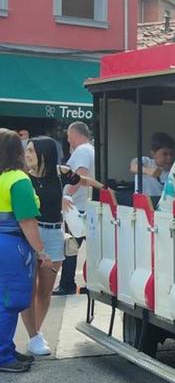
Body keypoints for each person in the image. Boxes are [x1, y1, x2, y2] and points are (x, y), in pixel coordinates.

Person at [21, 137, 103, 356]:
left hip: (55, 234)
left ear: (44, 153)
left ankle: (36, 332)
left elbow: (82, 180)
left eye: (31, 151)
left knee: (44, 291)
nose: (27, 155)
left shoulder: (60, 171)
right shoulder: (22, 177)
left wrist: (104, 188)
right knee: (28, 290)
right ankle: (33, 336)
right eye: (26, 151)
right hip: (31, 233)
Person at [0, 129, 51, 373]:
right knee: (10, 302)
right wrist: (41, 251)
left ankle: (6, 349)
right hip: (11, 245)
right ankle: (3, 355)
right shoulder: (18, 180)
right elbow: (27, 220)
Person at [55, 121, 95, 296]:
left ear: (77, 134)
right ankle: (90, 282)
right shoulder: (90, 149)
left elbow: (81, 174)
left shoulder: (82, 151)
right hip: (83, 205)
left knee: (70, 246)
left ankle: (67, 284)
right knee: (91, 248)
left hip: (77, 207)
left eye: (69, 135)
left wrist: (68, 194)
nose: (68, 139)